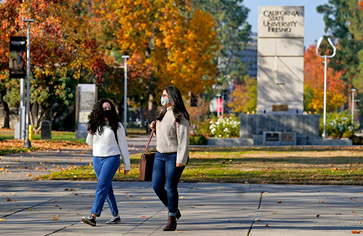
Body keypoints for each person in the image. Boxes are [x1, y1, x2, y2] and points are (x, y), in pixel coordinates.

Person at [82, 98, 131, 226]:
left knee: (101, 186)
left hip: (112, 158)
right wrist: (90, 133)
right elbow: (89, 143)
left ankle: (93, 216)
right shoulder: (96, 124)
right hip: (97, 159)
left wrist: (127, 165)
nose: (107, 110)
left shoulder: (117, 125)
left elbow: (123, 145)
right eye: (105, 108)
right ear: (99, 110)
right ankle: (116, 215)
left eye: (109, 108)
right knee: (107, 188)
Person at [150, 86, 190, 231]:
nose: (162, 97)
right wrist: (154, 128)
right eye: (162, 94)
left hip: (174, 156)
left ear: (172, 97)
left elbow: (183, 139)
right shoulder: (163, 113)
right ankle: (173, 208)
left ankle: (171, 219)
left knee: (171, 187)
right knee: (156, 186)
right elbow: (164, 137)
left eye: (165, 95)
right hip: (160, 155)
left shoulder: (180, 115)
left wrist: (181, 159)